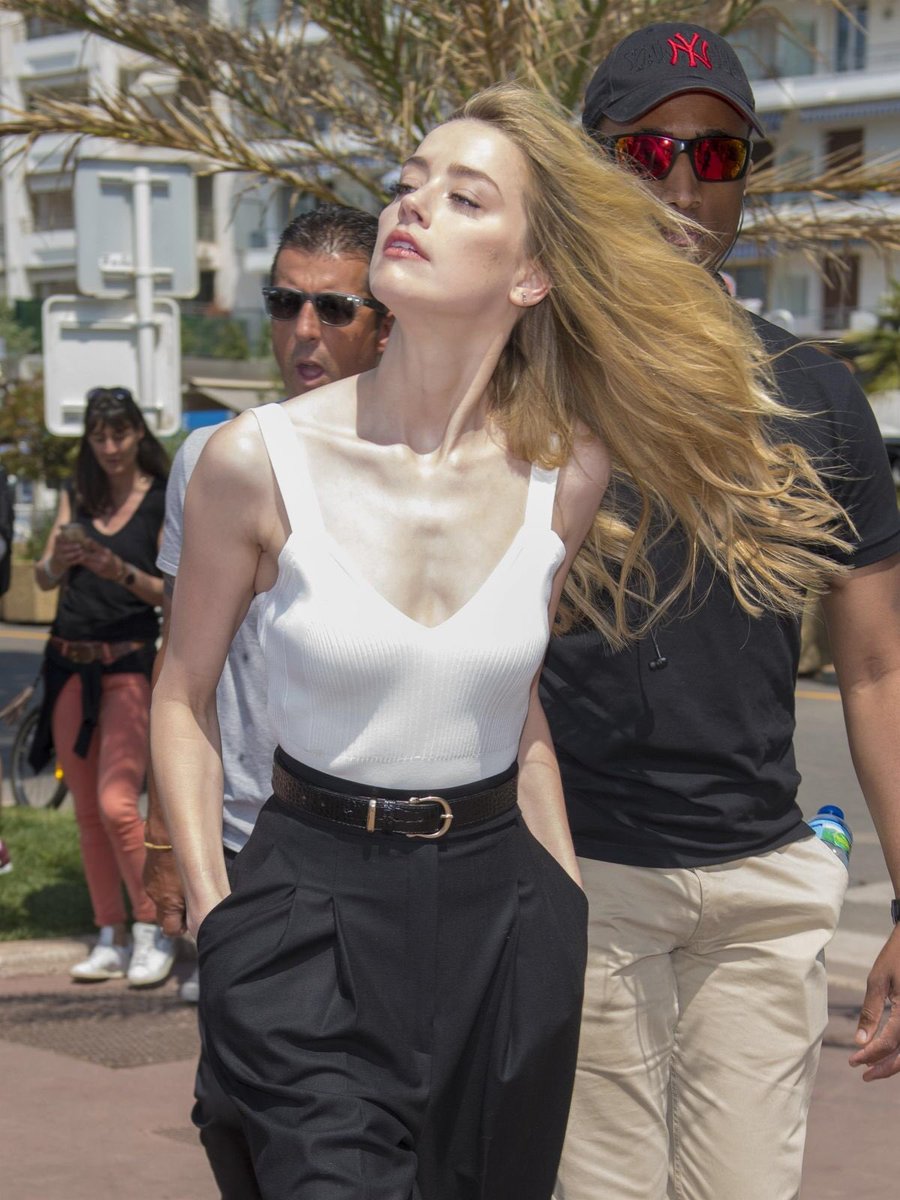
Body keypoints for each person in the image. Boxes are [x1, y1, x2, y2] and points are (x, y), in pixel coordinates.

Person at [152, 83, 848, 1199]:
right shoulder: (253, 461)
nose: (410, 208)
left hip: (504, 921)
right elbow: (180, 699)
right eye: (407, 185)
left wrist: (560, 903)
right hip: (304, 909)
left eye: (462, 196)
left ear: (529, 276)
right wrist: (214, 913)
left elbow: (518, 706)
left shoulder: (566, 475)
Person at [543, 23, 900, 1200]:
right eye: (651, 152)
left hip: (761, 891)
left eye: (718, 154)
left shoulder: (816, 394)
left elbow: (879, 669)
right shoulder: (524, 373)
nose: (686, 184)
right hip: (584, 878)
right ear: (593, 165)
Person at [143, 203, 392, 1199]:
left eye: (336, 307)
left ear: (387, 320)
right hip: (244, 836)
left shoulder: (428, 465)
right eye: (286, 302)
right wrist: (170, 833)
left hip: (378, 850)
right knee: (231, 1107)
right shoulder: (216, 458)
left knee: (348, 1115)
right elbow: (181, 665)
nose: (304, 331)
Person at [34, 387, 175, 987]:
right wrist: (63, 559)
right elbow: (42, 578)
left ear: (138, 434)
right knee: (88, 810)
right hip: (69, 663)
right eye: (99, 436)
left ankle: (155, 927)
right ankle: (109, 934)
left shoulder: (160, 502)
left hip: (127, 665)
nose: (111, 447)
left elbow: (173, 592)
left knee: (121, 805)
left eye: (119, 434)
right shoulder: (78, 494)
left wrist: (116, 569)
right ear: (89, 440)